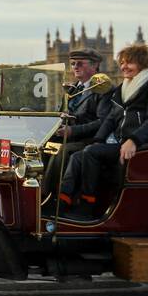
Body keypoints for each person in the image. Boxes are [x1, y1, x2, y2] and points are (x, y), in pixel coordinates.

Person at [59, 42, 148, 218]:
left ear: (142, 64)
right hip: (120, 141)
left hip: (144, 144)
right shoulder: (124, 87)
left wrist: (134, 140)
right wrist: (98, 139)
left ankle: (88, 205)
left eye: (129, 63)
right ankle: (62, 201)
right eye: (123, 63)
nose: (124, 67)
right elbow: (111, 118)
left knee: (90, 153)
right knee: (77, 156)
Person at [41, 49, 108, 201]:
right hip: (68, 135)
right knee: (40, 146)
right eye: (72, 64)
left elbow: (102, 122)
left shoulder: (103, 89)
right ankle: (35, 189)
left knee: (61, 150)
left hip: (88, 140)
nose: (75, 67)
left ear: (95, 65)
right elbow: (61, 114)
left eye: (80, 64)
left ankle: (50, 196)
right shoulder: (73, 89)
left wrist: (73, 130)